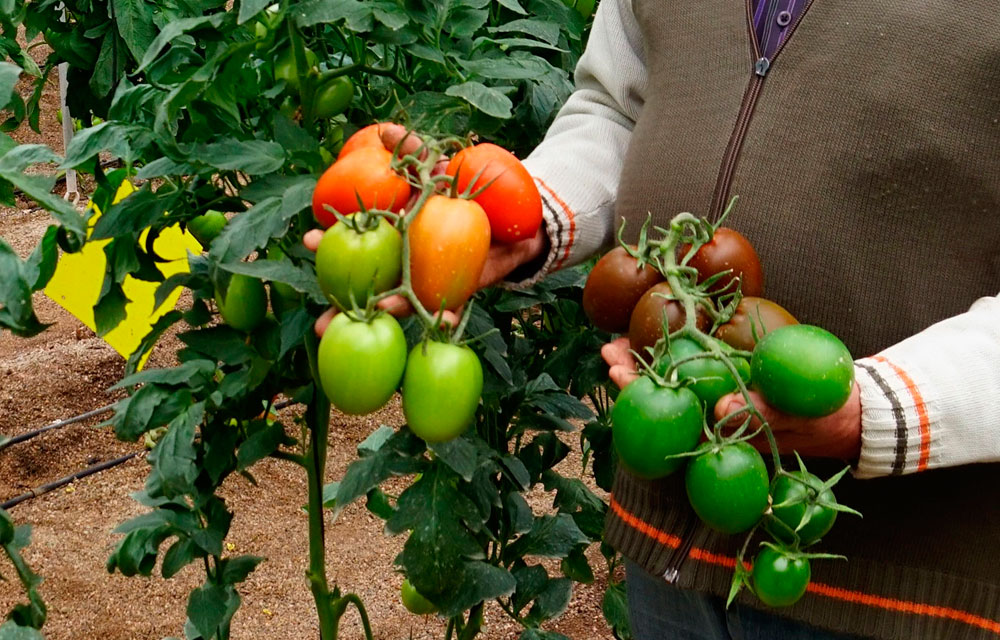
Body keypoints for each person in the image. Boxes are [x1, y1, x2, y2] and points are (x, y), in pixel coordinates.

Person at [310, 0, 1000, 636]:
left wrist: (879, 413)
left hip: (909, 582)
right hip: (668, 535)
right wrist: (520, 214)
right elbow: (617, 105)